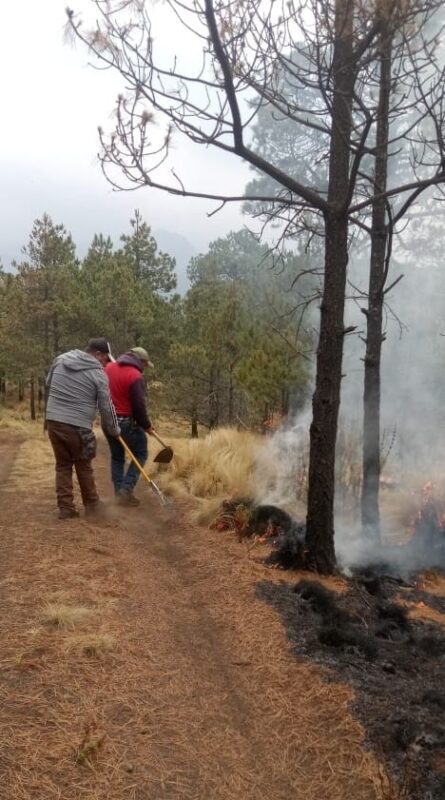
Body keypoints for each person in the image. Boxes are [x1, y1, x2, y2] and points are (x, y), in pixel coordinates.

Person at [45, 338, 120, 519]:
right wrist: (114, 429)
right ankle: (93, 505)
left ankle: (66, 507)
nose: (106, 364)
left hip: (53, 420)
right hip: (77, 425)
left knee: (63, 464)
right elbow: (106, 406)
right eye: (105, 360)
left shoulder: (61, 359)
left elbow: (48, 384)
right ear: (97, 354)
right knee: (83, 463)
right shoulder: (98, 374)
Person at [105, 346, 154, 506]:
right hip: (126, 422)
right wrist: (146, 425)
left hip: (108, 421)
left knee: (117, 456)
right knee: (141, 452)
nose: (145, 368)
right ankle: (126, 490)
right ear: (140, 361)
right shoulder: (135, 376)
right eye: (145, 365)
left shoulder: (109, 368)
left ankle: (120, 493)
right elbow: (139, 406)